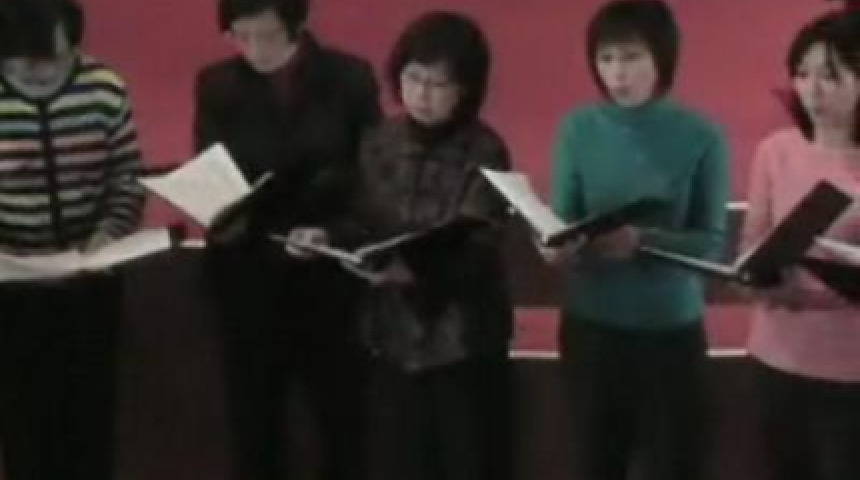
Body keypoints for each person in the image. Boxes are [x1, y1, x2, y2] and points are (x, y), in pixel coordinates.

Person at [192, 0, 381, 479]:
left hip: (327, 279)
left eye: (267, 35)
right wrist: (217, 211)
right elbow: (211, 171)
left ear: (298, 25)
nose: (254, 49)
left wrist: (331, 233)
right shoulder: (217, 85)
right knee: (254, 427)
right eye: (240, 36)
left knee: (341, 425)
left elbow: (372, 177)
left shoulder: (349, 79)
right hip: (248, 276)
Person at [543, 1, 730, 479]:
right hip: (591, 327)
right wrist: (554, 245)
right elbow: (562, 217)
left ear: (662, 58)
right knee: (595, 462)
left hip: (669, 333)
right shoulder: (578, 129)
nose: (617, 74)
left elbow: (710, 241)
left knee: (674, 463)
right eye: (606, 59)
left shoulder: (702, 135)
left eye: (631, 58)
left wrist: (642, 240)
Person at [352, 11, 514, 480]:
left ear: (466, 89)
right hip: (389, 337)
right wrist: (336, 242)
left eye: (439, 84)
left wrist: (415, 271)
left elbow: (478, 241)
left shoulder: (486, 150)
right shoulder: (378, 142)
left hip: (462, 343)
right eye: (413, 79)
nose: (422, 95)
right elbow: (359, 216)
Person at [0, 0, 145, 478]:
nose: (42, 73)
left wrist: (108, 233)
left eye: (55, 60)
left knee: (91, 422)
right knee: (25, 427)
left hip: (91, 279)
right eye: (26, 64)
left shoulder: (104, 87)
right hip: (12, 287)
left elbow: (127, 178)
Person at [742, 9, 860, 480]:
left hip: (850, 370)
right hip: (776, 357)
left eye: (830, 76)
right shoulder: (775, 150)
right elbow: (753, 239)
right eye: (803, 74)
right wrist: (755, 275)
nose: (813, 90)